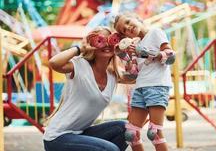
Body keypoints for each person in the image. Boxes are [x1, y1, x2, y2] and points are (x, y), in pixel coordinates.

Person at [43, 26, 130, 151]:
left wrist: (126, 49)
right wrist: (80, 48)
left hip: (80, 134)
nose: (106, 45)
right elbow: (54, 63)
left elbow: (137, 76)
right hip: (57, 138)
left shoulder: (113, 75)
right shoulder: (80, 65)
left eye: (110, 40)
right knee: (110, 149)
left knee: (126, 129)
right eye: (100, 40)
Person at [114, 12, 175, 151]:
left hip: (157, 86)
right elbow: (133, 72)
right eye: (124, 30)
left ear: (137, 18)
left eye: (128, 22)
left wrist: (145, 52)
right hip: (140, 87)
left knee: (154, 133)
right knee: (131, 135)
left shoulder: (155, 32)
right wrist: (122, 54)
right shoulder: (136, 45)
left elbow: (171, 57)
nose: (128, 27)